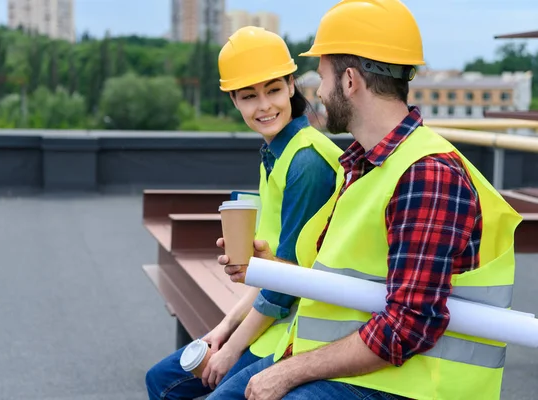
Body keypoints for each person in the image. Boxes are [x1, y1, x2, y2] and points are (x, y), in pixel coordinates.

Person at [210, 1, 523, 399]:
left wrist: (289, 372)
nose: (319, 92)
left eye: (322, 76)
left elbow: (406, 328)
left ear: (351, 81)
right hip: (357, 365)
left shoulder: (426, 173)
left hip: (410, 385)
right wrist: (268, 268)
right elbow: (354, 276)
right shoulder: (365, 163)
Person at [145, 26, 344, 399]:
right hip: (274, 321)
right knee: (161, 380)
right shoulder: (277, 153)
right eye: (249, 96)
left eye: (273, 90)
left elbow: (288, 283)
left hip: (301, 332)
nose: (264, 106)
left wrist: (232, 348)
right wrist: (222, 329)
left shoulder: (307, 163)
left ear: (290, 86)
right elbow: (272, 271)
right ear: (234, 101)